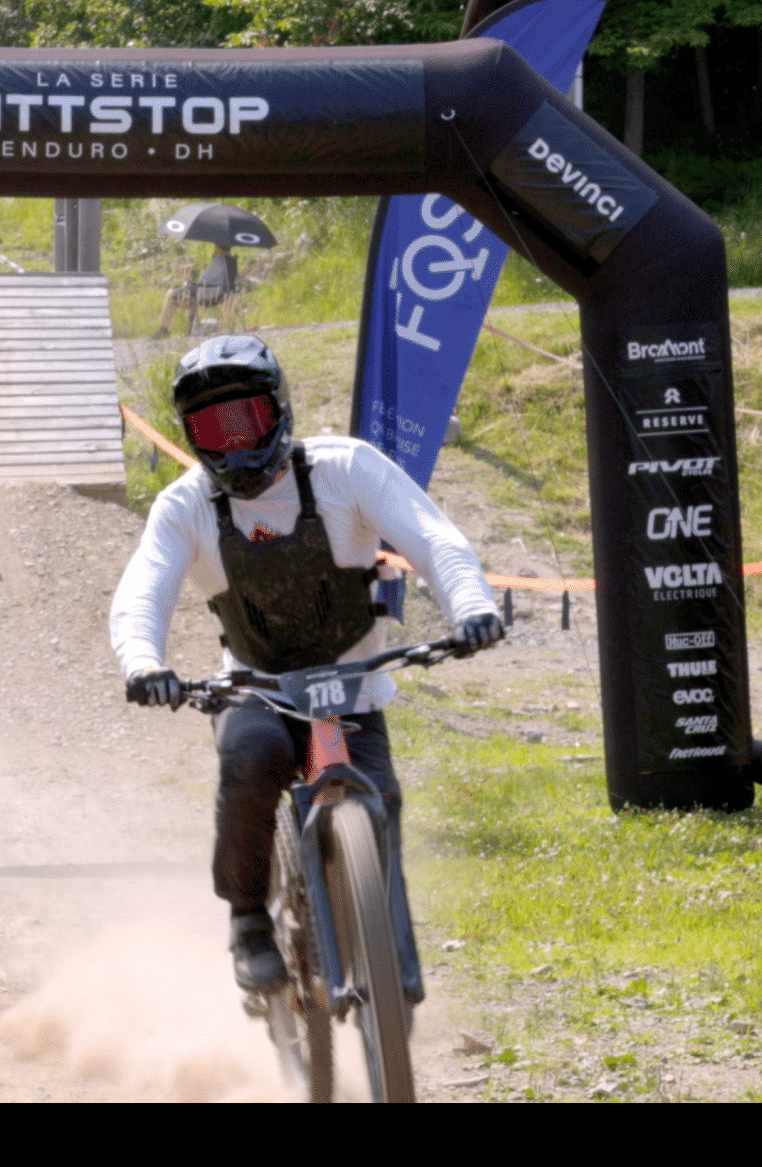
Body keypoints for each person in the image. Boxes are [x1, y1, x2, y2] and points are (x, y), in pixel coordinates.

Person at [111, 335, 504, 992]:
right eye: (215, 429)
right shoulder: (185, 507)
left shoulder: (346, 469)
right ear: (192, 436)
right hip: (256, 688)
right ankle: (247, 920)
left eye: (247, 420)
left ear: (280, 410)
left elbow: (434, 537)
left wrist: (472, 608)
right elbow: (142, 592)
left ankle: (392, 971)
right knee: (253, 758)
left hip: (353, 688)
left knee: (381, 801)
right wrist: (143, 662)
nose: (236, 445)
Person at [156, 243, 238, 338]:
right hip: (223, 294)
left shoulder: (219, 261)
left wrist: (188, 282)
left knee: (171, 293)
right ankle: (191, 329)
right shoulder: (231, 262)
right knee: (191, 292)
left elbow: (203, 280)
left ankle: (164, 330)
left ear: (218, 248)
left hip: (212, 295)